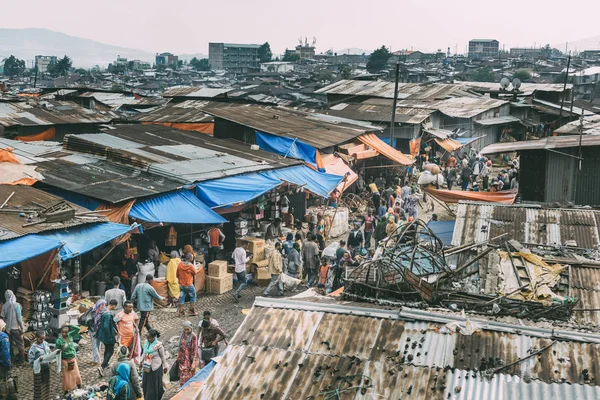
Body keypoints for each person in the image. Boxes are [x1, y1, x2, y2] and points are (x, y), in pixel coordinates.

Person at [141, 329, 168, 400]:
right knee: (146, 385)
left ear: (154, 337)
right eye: (147, 337)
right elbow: (144, 353)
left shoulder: (159, 346)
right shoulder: (146, 343)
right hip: (147, 367)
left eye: (149, 338)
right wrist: (140, 361)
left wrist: (165, 366)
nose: (147, 339)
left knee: (154, 385)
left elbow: (163, 357)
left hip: (155, 368)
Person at [55, 324, 82, 394]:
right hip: (65, 360)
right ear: (61, 332)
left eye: (66, 332)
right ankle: (66, 390)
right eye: (63, 332)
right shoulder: (59, 341)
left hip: (73, 358)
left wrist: (69, 324)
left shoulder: (70, 335)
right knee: (66, 376)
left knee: (77, 374)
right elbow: (57, 352)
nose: (64, 334)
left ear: (68, 332)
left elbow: (78, 329)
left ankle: (79, 385)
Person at [1, 290, 24, 364]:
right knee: (20, 344)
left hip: (7, 329)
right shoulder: (17, 305)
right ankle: (22, 360)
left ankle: (12, 358)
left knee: (10, 343)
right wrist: (22, 327)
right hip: (16, 328)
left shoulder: (4, 305)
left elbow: (3, 317)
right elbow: (19, 318)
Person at [28, 329, 52, 400]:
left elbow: (49, 352)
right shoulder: (33, 348)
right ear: (36, 337)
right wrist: (38, 360)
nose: (42, 340)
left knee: (46, 384)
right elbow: (31, 361)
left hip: (46, 368)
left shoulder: (46, 344)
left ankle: (46, 398)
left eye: (43, 338)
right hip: (38, 370)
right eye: (41, 339)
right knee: (39, 387)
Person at [97, 299, 118, 376]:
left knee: (107, 349)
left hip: (102, 336)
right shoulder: (108, 315)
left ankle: (105, 363)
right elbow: (106, 327)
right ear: (113, 305)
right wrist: (110, 336)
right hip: (107, 336)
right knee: (110, 351)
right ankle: (102, 366)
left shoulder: (103, 311)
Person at [176, 321, 198, 386]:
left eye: (187, 329)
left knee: (188, 374)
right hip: (182, 358)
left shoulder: (193, 336)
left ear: (191, 328)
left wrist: (194, 362)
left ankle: (188, 387)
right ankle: (182, 387)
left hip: (189, 359)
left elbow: (195, 349)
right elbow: (180, 346)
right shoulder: (183, 335)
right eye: (185, 329)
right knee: (182, 373)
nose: (186, 331)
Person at [90, 299, 107, 367]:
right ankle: (96, 360)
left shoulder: (94, 310)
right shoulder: (97, 312)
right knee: (95, 345)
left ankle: (95, 359)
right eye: (103, 305)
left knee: (97, 345)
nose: (104, 306)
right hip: (94, 331)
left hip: (96, 331)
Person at [0, 320, 11, 393]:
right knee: (3, 379)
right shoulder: (3, 337)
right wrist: (8, 364)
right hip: (2, 364)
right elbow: (5, 352)